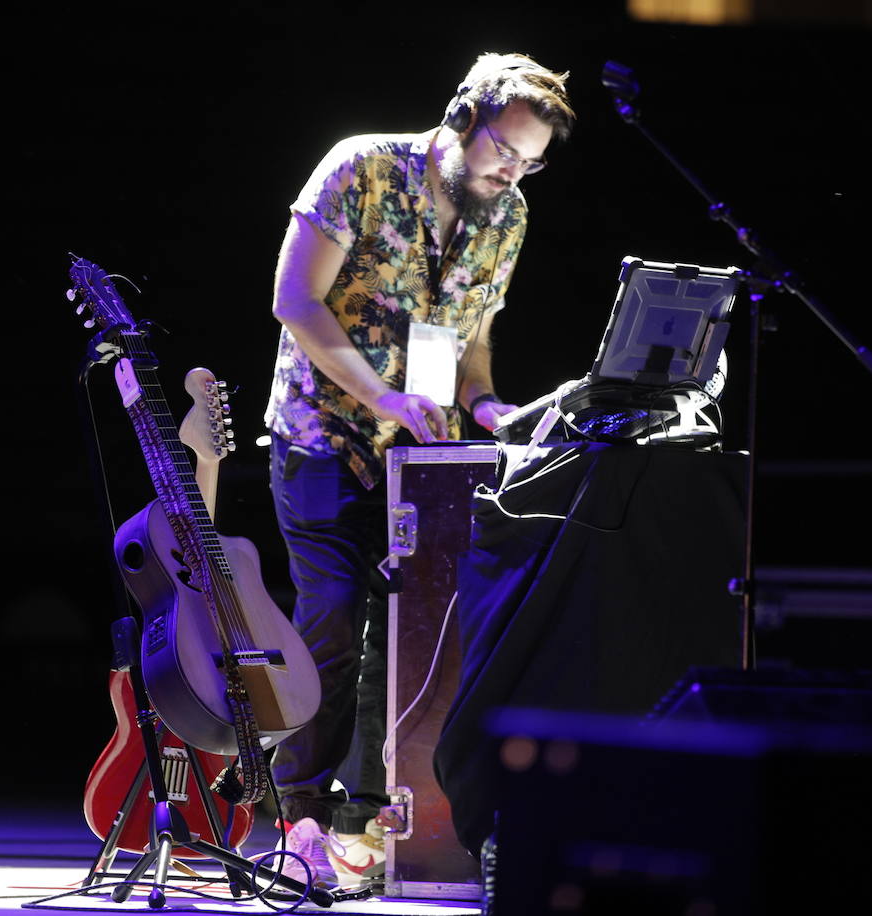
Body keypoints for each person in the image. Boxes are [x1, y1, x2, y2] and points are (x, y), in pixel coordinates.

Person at [263, 51, 574, 887]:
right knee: (329, 621)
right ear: (463, 117)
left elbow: (472, 342)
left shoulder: (506, 214)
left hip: (418, 459)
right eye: (504, 150)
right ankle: (296, 818)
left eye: (531, 161)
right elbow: (294, 300)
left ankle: (364, 828)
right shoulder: (361, 166)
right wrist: (382, 396)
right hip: (322, 437)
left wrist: (487, 407)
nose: (512, 171)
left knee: (404, 641)